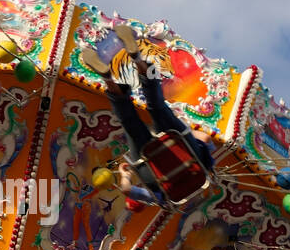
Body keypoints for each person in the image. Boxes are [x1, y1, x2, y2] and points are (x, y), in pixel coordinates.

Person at [83, 26, 214, 200]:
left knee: (157, 104)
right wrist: (125, 175)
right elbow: (127, 190)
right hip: (153, 170)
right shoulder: (163, 199)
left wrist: (190, 131)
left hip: (184, 148)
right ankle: (107, 78)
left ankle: (137, 58)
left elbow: (205, 138)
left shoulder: (207, 167)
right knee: (129, 123)